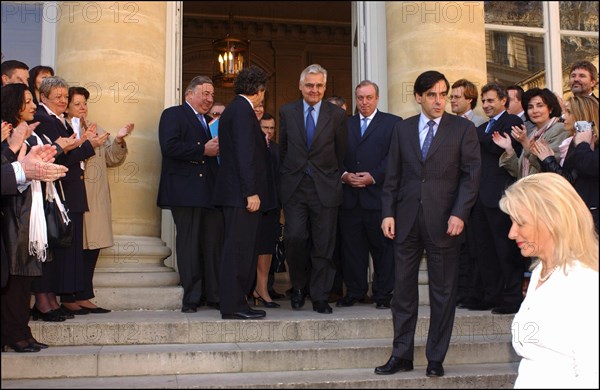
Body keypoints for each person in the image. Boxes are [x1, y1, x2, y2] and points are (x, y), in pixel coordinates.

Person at [376, 70, 481, 377]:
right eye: (432, 95)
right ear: (419, 97)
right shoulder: (403, 129)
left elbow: (471, 176)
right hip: (406, 222)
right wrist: (387, 212)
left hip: (445, 223)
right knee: (403, 293)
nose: (439, 101)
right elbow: (392, 176)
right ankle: (401, 354)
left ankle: (436, 357)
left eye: (443, 94)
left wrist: (460, 213)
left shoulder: (462, 129)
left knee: (443, 293)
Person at [499, 172, 599, 389]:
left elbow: (591, 374)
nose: (512, 233)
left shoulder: (585, 282)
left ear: (552, 220)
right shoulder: (540, 272)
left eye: (520, 223)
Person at [1, 83, 67, 352]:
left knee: (26, 277)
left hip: (32, 210)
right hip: (14, 214)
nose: (32, 106)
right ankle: (13, 334)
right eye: (27, 101)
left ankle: (22, 330)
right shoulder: (8, 133)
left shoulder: (30, 133)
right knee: (15, 278)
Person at [278, 64, 348, 314]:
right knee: (295, 237)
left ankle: (319, 295)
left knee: (324, 244)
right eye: (309, 85)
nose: (314, 90)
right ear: (300, 86)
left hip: (325, 187)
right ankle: (298, 287)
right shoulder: (287, 112)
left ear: (325, 86)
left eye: (319, 85)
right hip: (295, 187)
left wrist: (330, 176)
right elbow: (283, 148)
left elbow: (340, 153)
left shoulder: (337, 115)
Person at [31, 76, 99, 321]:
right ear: (44, 97)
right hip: (55, 191)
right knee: (51, 249)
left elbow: (69, 151)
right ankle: (43, 300)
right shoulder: (42, 119)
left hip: (67, 191)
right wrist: (86, 145)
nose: (62, 100)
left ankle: (51, 298)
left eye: (64, 96)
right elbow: (59, 157)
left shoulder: (59, 120)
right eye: (57, 96)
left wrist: (81, 143)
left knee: (62, 250)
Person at [63, 86, 134, 313]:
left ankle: (84, 295)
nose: (83, 108)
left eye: (85, 103)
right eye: (77, 103)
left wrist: (120, 139)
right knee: (71, 247)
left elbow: (112, 158)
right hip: (72, 195)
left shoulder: (96, 128)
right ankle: (67, 296)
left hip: (95, 198)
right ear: (66, 106)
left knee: (91, 248)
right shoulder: (62, 129)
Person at [157, 75, 223, 313]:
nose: (209, 99)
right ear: (189, 94)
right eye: (205, 93)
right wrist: (202, 150)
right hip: (186, 193)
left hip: (210, 193)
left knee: (212, 244)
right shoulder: (173, 114)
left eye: (212, 94)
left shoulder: (210, 122)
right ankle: (192, 297)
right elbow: (169, 146)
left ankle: (213, 295)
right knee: (190, 245)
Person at [214, 65, 274, 320]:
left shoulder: (236, 109)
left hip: (235, 193)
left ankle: (237, 302)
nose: (264, 96)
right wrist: (251, 192)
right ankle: (233, 305)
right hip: (241, 195)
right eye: (263, 91)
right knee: (238, 249)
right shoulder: (242, 112)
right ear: (259, 90)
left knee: (238, 248)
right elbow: (245, 155)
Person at [337, 80, 401, 309]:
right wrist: (344, 175)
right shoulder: (344, 124)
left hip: (379, 199)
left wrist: (373, 176)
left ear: (377, 98)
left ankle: (383, 294)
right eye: (360, 98)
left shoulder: (393, 123)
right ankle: (355, 292)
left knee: (384, 251)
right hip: (350, 199)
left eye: (369, 97)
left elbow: (395, 158)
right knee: (352, 250)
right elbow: (335, 157)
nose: (364, 102)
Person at [464, 82, 525, 315]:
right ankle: (490, 295)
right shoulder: (482, 129)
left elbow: (495, 148)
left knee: (504, 249)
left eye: (491, 100)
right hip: (479, 197)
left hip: (500, 195)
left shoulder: (511, 122)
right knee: (484, 250)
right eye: (484, 101)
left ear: (503, 101)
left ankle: (511, 298)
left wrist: (476, 135)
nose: (487, 105)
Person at [531, 95, 599, 230]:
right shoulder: (573, 141)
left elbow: (569, 180)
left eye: (568, 112)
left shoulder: (588, 142)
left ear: (581, 115)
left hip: (589, 217)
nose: (563, 116)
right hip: (575, 212)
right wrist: (547, 159)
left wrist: (548, 160)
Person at [495, 88, 569, 180]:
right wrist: (509, 149)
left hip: (544, 191)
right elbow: (519, 172)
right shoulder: (532, 134)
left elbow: (550, 168)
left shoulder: (560, 129)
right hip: (526, 190)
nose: (535, 111)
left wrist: (525, 143)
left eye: (540, 106)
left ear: (550, 109)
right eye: (530, 107)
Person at [251, 112, 281, 308]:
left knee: (267, 249)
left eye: (271, 128)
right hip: (253, 205)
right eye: (265, 128)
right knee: (254, 248)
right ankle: (253, 288)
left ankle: (261, 289)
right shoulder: (251, 147)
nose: (268, 132)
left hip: (273, 205)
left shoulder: (277, 149)